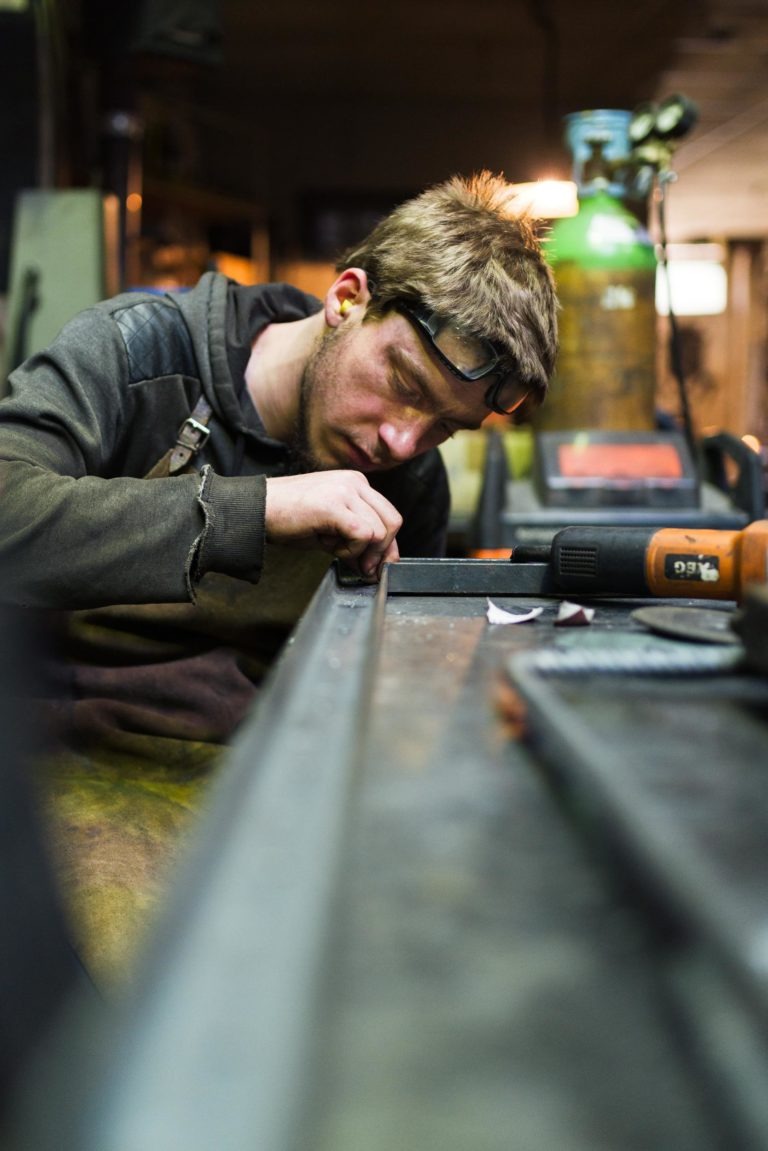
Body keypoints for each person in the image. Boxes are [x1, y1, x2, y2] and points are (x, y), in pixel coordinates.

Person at [0, 171, 558, 983]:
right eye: (404, 383)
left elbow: (394, 694)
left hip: (263, 782)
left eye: (444, 425)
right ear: (347, 297)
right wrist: (255, 509)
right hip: (64, 769)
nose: (405, 440)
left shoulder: (407, 483)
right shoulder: (136, 357)